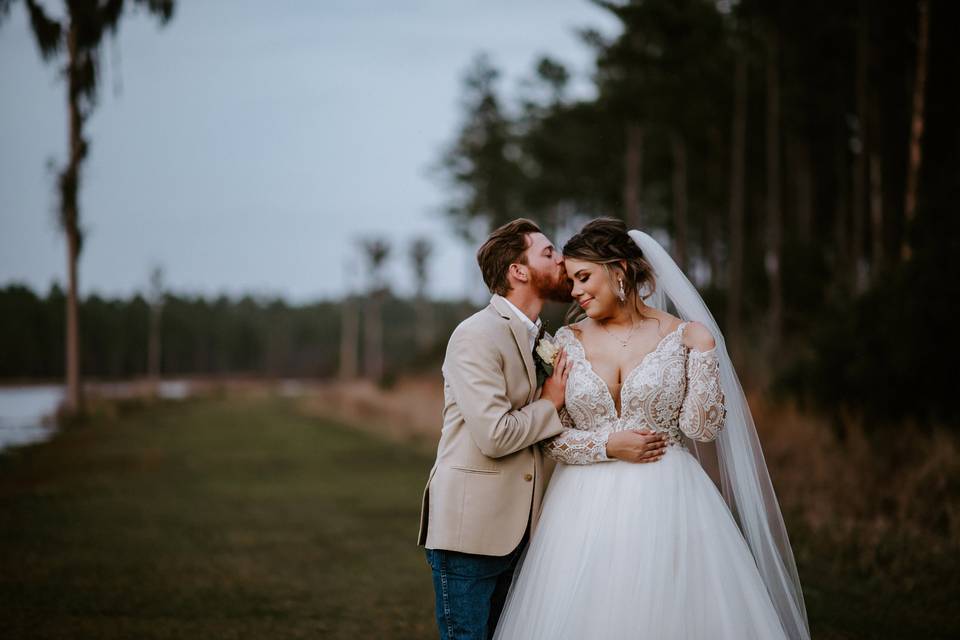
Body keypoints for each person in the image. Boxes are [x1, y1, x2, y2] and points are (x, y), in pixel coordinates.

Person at [492, 218, 811, 640]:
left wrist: (704, 352)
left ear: (619, 270)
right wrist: (610, 444)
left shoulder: (682, 335)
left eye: (584, 277)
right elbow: (555, 439)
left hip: (670, 497)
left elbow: (702, 428)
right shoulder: (566, 341)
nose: (575, 292)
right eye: (570, 281)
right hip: (582, 508)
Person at [418, 218, 668, 640]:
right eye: (549, 254)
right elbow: (495, 435)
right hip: (470, 533)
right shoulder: (476, 336)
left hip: (524, 530)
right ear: (519, 271)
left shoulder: (544, 339)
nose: (561, 262)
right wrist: (550, 402)